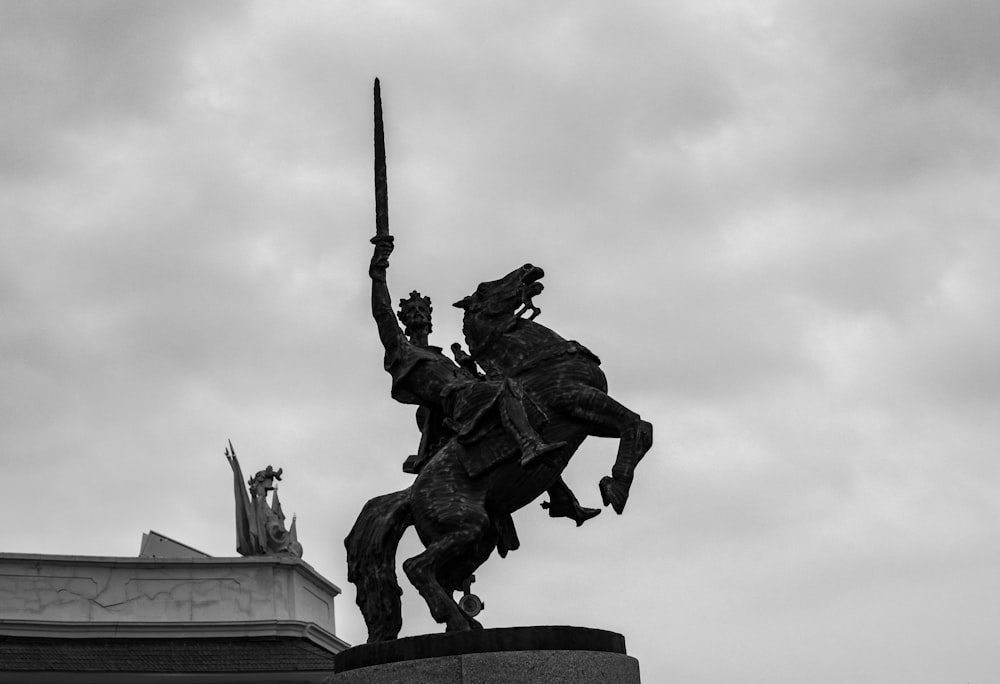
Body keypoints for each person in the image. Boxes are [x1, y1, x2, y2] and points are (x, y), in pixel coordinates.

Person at [370, 236, 599, 525]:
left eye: (424, 313)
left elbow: (469, 379)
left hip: (470, 394)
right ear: (403, 320)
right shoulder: (402, 351)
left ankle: (561, 498)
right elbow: (382, 312)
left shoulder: (442, 358)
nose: (419, 317)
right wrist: (378, 270)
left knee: (538, 408)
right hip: (456, 403)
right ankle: (529, 446)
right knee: (510, 391)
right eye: (413, 314)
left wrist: (469, 368)